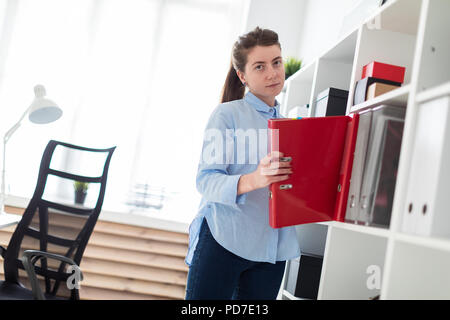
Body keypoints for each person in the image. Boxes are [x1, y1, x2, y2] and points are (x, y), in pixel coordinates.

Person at [185, 26, 301, 300]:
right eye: (259, 66)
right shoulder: (226, 115)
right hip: (225, 240)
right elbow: (205, 180)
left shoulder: (291, 126)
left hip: (272, 251)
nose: (272, 73)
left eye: (276, 62)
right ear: (243, 76)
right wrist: (255, 178)